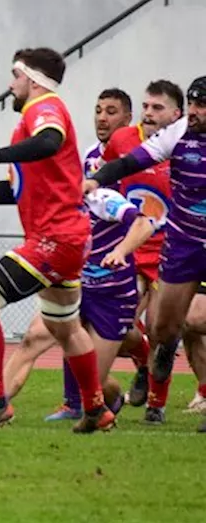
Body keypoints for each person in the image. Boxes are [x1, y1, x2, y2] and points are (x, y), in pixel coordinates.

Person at [0, 47, 114, 433]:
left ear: (32, 80)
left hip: (55, 239)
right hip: (69, 240)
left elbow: (48, 140)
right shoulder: (30, 123)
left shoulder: (42, 109)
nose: (10, 84)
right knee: (66, 329)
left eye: (15, 75)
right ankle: (97, 410)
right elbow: (13, 192)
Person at [86, 75, 206, 430]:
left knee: (197, 318)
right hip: (182, 241)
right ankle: (164, 350)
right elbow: (131, 161)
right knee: (162, 327)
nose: (195, 112)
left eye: (202, 106)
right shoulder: (179, 132)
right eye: (193, 104)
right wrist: (96, 179)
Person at [0, 186, 159, 419]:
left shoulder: (101, 198)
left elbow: (144, 224)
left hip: (112, 297)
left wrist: (121, 251)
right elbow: (5, 193)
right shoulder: (51, 205)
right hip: (75, 289)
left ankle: (117, 394)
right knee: (33, 339)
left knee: (91, 378)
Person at [97, 80, 179, 422]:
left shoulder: (186, 148)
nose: (148, 113)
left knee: (160, 326)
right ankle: (144, 361)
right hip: (130, 246)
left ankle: (156, 406)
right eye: (146, 106)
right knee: (122, 324)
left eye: (157, 108)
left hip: (168, 251)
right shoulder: (123, 141)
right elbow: (107, 180)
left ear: (176, 115)